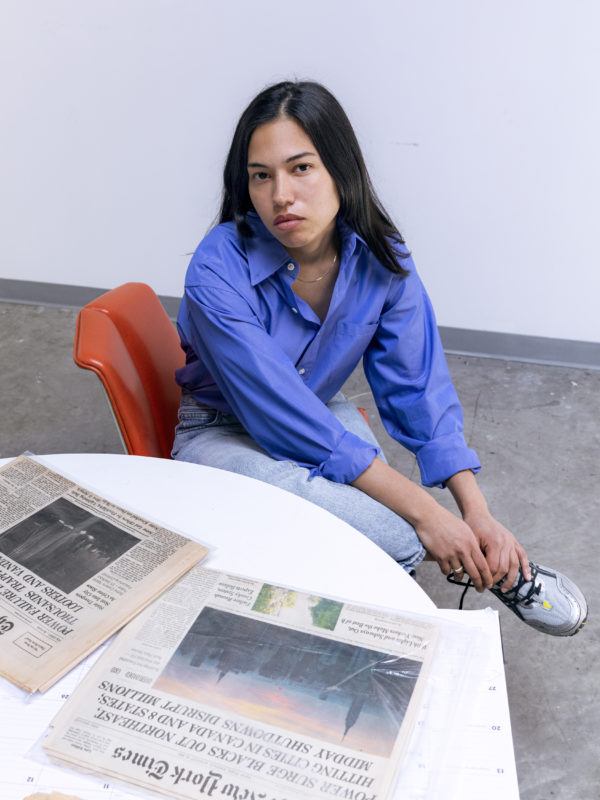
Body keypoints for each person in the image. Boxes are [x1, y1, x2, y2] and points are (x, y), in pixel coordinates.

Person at [172, 80, 586, 636]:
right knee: (396, 535)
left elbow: (419, 390)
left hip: (318, 410)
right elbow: (279, 413)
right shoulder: (217, 265)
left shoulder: (381, 259)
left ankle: (493, 555)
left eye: (301, 168)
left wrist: (475, 511)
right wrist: (427, 514)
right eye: (261, 176)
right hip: (220, 429)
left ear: (341, 170)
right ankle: (342, 637)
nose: (280, 196)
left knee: (389, 514)